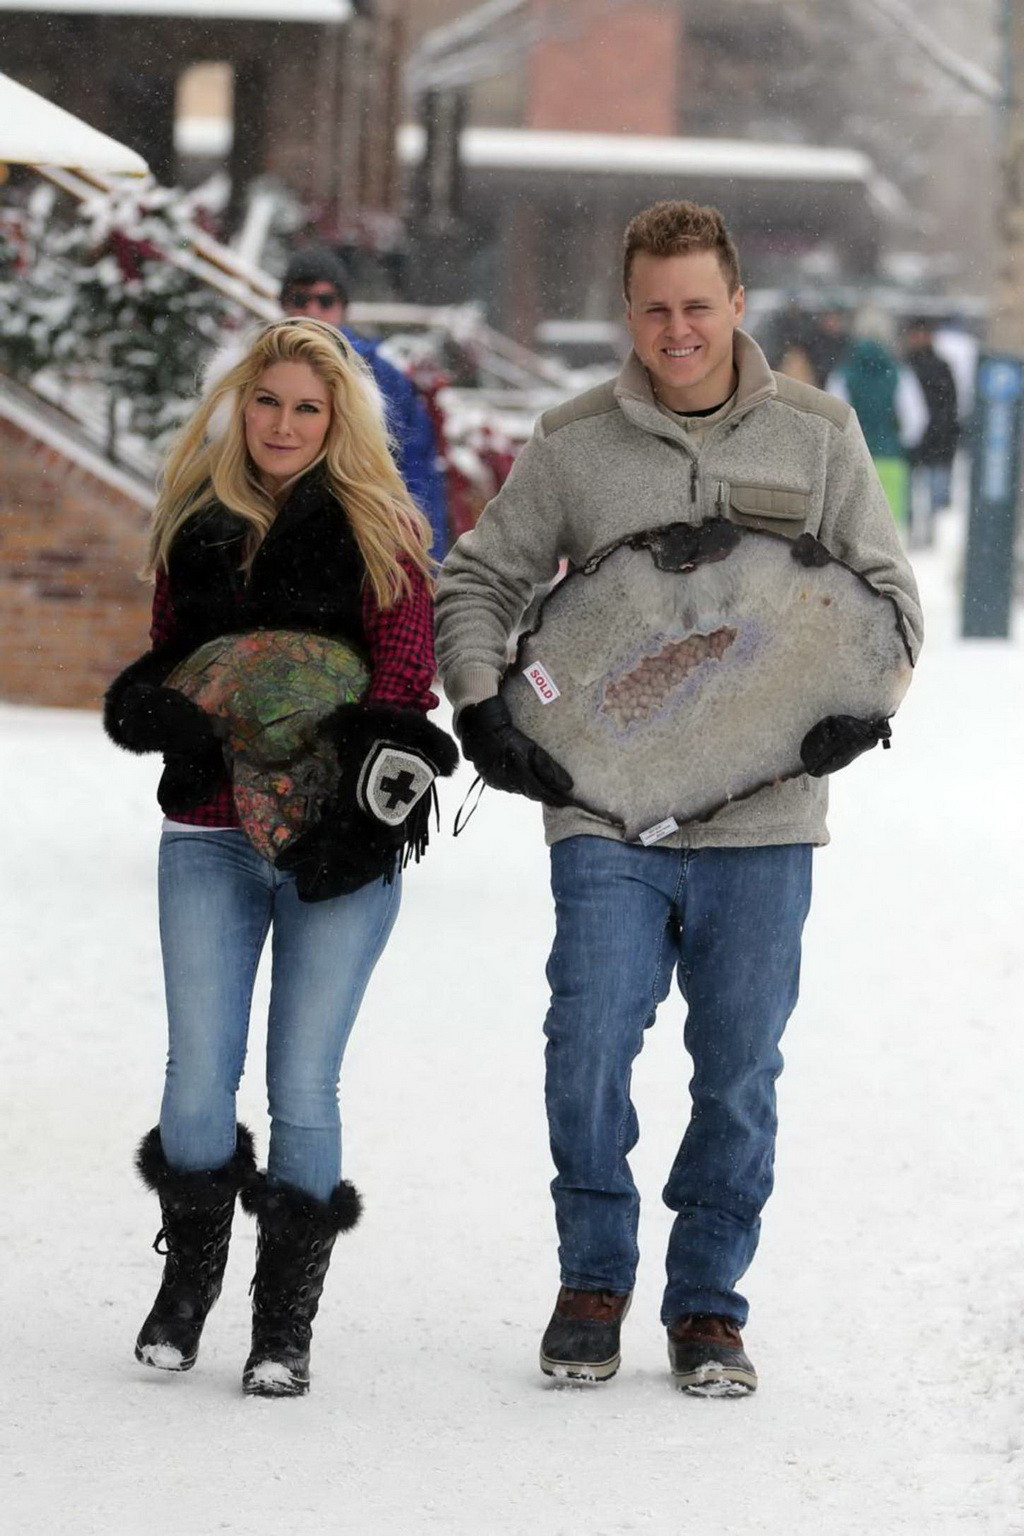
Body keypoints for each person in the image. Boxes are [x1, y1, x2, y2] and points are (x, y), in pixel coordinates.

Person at [435, 200, 922, 1395]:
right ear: (630, 312)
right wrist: (483, 708)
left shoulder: (818, 437)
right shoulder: (572, 443)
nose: (677, 329)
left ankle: (708, 1302)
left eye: (698, 304)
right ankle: (593, 1277)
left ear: (738, 303)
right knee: (587, 1047)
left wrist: (862, 704)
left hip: (763, 821)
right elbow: (478, 581)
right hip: (602, 805)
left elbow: (889, 599)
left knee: (738, 1069)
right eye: (654, 307)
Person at [103, 318, 457, 1398]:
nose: (285, 423)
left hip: (337, 838)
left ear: (337, 417)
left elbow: (404, 683)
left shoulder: (382, 532)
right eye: (269, 402)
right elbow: (167, 656)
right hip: (207, 832)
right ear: (240, 405)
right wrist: (159, 710)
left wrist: (364, 817)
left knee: (304, 1081)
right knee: (197, 1074)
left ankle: (284, 1323)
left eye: (309, 406)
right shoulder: (197, 526)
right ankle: (189, 1284)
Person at [281, 247, 448, 561]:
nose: (312, 310)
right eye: (300, 299)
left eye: (325, 300)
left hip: (362, 547)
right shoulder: (258, 369)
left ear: (343, 307)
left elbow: (416, 472)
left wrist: (422, 561)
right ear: (284, 305)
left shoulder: (383, 378)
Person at [827, 305, 927, 532]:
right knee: (890, 530)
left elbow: (832, 418)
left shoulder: (843, 374)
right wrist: (900, 442)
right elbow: (916, 418)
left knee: (852, 529)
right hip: (891, 458)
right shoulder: (900, 373)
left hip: (854, 460)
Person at [902, 316, 960, 547]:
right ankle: (916, 532)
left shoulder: (939, 366)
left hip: (935, 439)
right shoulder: (906, 364)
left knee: (930, 492)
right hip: (919, 440)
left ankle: (928, 533)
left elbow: (950, 404)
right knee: (913, 492)